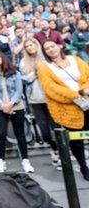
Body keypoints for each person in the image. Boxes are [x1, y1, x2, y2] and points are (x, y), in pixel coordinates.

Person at [37, 40, 89, 180]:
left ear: (59, 46)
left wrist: (85, 90)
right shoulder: (44, 66)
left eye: (52, 46)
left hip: (86, 102)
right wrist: (76, 94)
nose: (50, 49)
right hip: (66, 107)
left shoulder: (75, 59)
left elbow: (87, 75)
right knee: (76, 141)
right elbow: (50, 88)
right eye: (46, 48)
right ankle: (84, 168)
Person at [0, 52, 35, 173]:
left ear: (2, 57)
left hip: (16, 106)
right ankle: (1, 160)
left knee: (20, 134)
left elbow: (18, 90)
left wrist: (11, 103)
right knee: (0, 134)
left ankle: (25, 160)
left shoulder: (15, 72)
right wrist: (2, 105)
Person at [19, 38, 59, 166]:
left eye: (31, 44)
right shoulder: (23, 62)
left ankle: (61, 152)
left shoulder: (47, 58)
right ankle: (54, 148)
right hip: (35, 99)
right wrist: (35, 73)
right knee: (44, 131)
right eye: (27, 46)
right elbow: (24, 79)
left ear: (36, 45)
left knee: (57, 128)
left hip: (51, 98)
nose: (30, 47)